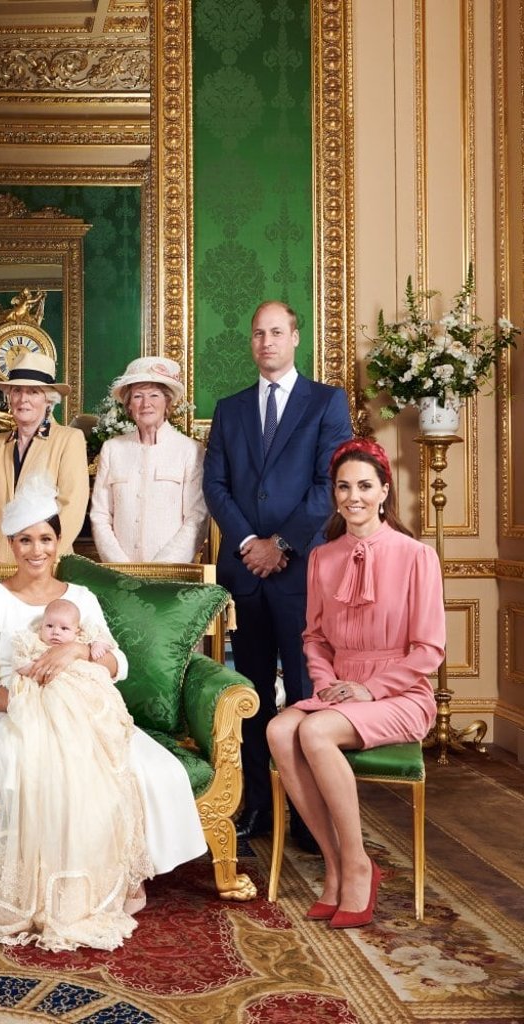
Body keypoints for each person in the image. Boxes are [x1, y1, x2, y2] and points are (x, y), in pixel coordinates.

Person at [0, 475, 207, 949]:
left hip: (90, 710)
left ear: (60, 543)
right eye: (26, 540)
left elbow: (118, 665)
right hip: (19, 714)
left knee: (149, 766)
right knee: (55, 770)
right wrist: (40, 709)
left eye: (46, 539)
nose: (36, 550)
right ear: (12, 544)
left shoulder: (80, 598)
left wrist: (76, 653)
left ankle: (117, 877)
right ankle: (60, 893)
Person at [267, 439, 444, 928]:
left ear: (384, 491)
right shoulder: (323, 557)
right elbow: (315, 637)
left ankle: (359, 864)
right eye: (344, 487)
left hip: (400, 694)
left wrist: (370, 689)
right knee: (280, 730)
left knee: (315, 731)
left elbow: (429, 650)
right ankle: (335, 864)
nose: (354, 497)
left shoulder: (416, 557)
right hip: (339, 691)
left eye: (365, 486)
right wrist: (325, 683)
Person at [203, 301, 352, 848]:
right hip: (246, 573)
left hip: (302, 573)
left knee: (309, 691)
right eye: (258, 333)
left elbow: (328, 484)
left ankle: (313, 817)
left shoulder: (326, 402)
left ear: (295, 338)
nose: (266, 342)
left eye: (276, 332)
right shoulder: (230, 408)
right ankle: (258, 809)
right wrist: (248, 544)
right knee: (251, 693)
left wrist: (281, 544)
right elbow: (215, 485)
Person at [0, 586, 150, 951]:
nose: (55, 632)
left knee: (99, 764)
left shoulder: (83, 605)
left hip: (81, 706)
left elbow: (117, 664)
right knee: (42, 763)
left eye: (64, 629)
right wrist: (34, 687)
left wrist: (83, 650)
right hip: (30, 707)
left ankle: (100, 885)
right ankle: (38, 893)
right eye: (50, 626)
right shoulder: (6, 617)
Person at [0, 352, 88, 564]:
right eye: (17, 391)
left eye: (33, 392)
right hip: (0, 564)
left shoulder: (69, 440)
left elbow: (72, 507)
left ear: (48, 400)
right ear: (9, 398)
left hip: (49, 565)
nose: (23, 399)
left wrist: (43, 556)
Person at [90, 356, 209, 563]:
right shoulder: (112, 449)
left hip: (171, 575)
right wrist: (121, 567)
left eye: (154, 395)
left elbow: (197, 517)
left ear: (167, 403)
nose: (146, 404)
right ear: (129, 405)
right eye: (137, 397)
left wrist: (163, 568)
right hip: (121, 575)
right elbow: (100, 515)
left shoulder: (189, 450)